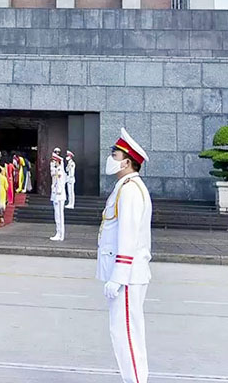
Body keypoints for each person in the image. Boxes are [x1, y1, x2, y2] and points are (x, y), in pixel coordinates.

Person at [99, 128, 153, 383]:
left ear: (127, 162)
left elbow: (128, 236)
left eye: (115, 154)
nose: (111, 157)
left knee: (126, 335)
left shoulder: (130, 190)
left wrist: (118, 276)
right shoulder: (125, 188)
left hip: (128, 277)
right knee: (125, 333)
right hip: (128, 275)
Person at [49, 149, 67, 241]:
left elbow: (60, 183)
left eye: (55, 161)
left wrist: (58, 194)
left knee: (59, 215)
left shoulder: (60, 171)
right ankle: (58, 233)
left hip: (59, 196)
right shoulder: (57, 170)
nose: (53, 162)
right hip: (56, 195)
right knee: (57, 215)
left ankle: (61, 234)